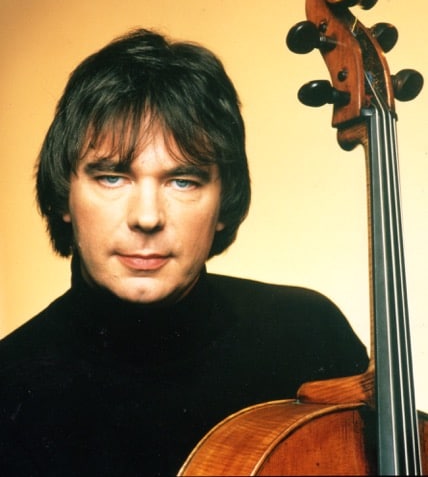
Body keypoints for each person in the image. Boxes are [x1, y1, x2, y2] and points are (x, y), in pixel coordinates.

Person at [0, 29, 368, 476]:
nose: (147, 217)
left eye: (183, 181)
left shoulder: (309, 333)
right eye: (112, 177)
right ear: (64, 195)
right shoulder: (10, 386)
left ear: (222, 202)